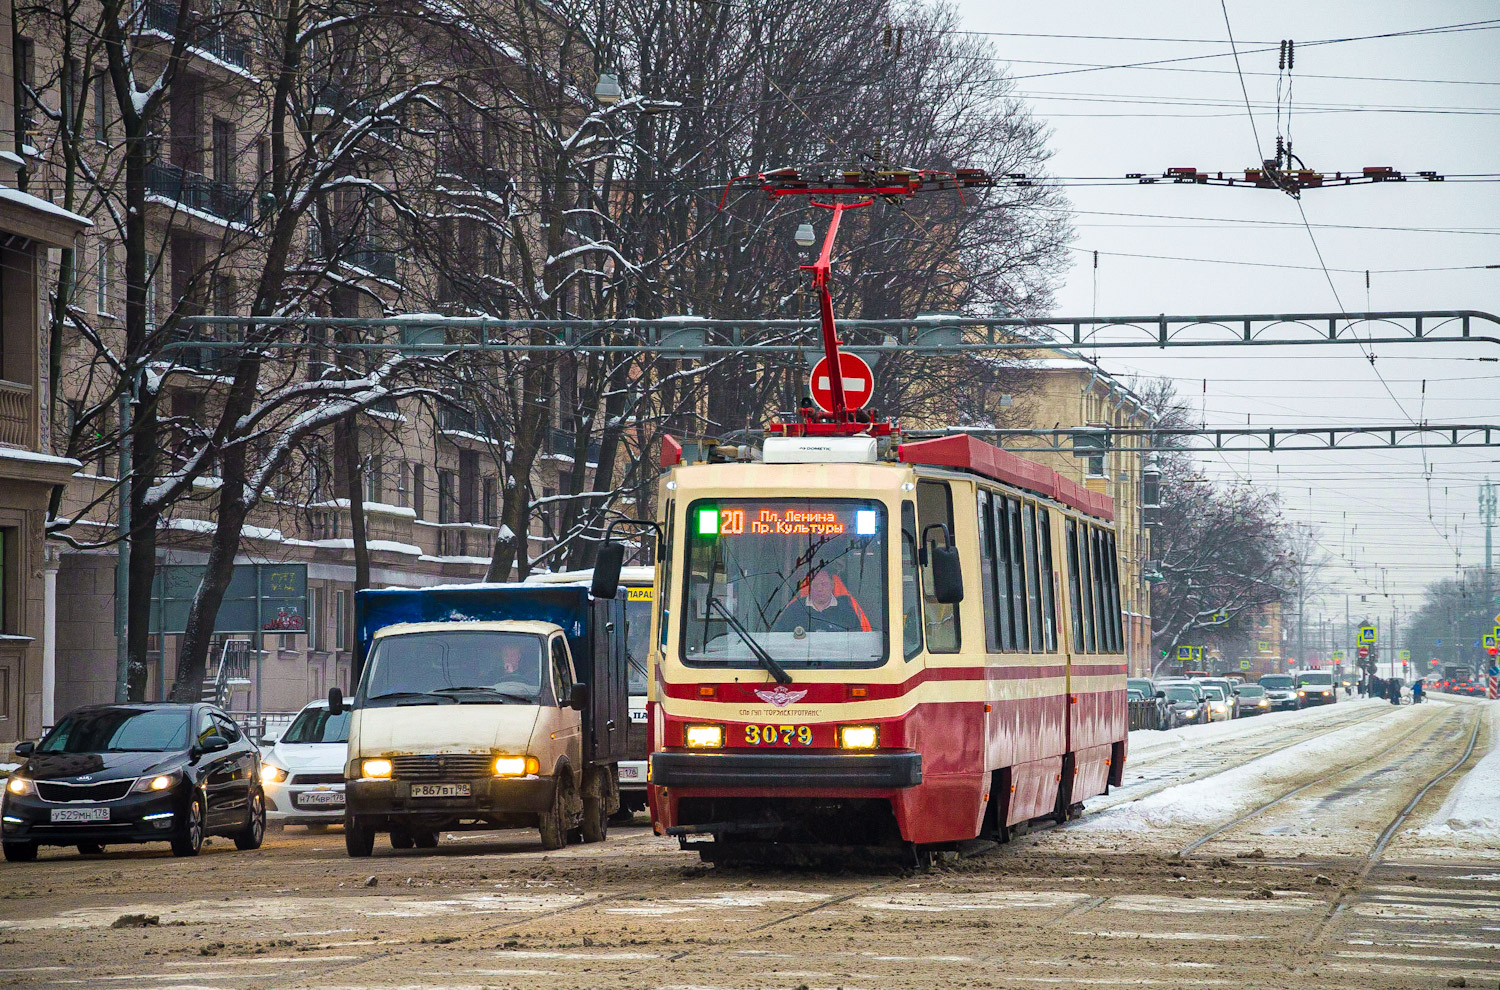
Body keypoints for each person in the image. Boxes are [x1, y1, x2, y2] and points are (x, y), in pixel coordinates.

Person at [773, 569, 862, 633]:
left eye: (824, 584)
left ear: (832, 585)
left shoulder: (846, 611)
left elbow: (857, 641)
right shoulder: (794, 609)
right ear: (809, 587)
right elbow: (779, 638)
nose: (819, 589)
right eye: (815, 585)